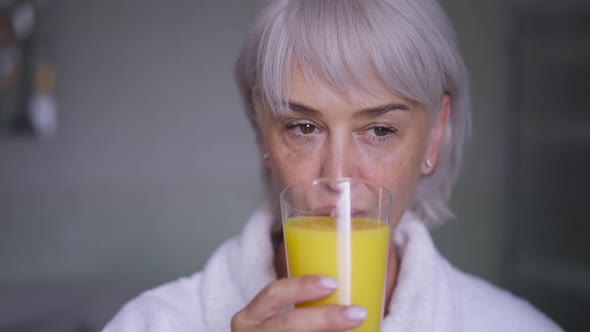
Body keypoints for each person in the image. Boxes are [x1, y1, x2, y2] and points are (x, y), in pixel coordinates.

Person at [105, 0, 562, 331]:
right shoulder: (152, 323)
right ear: (259, 126)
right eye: (303, 127)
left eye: (380, 130)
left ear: (436, 132)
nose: (338, 176)